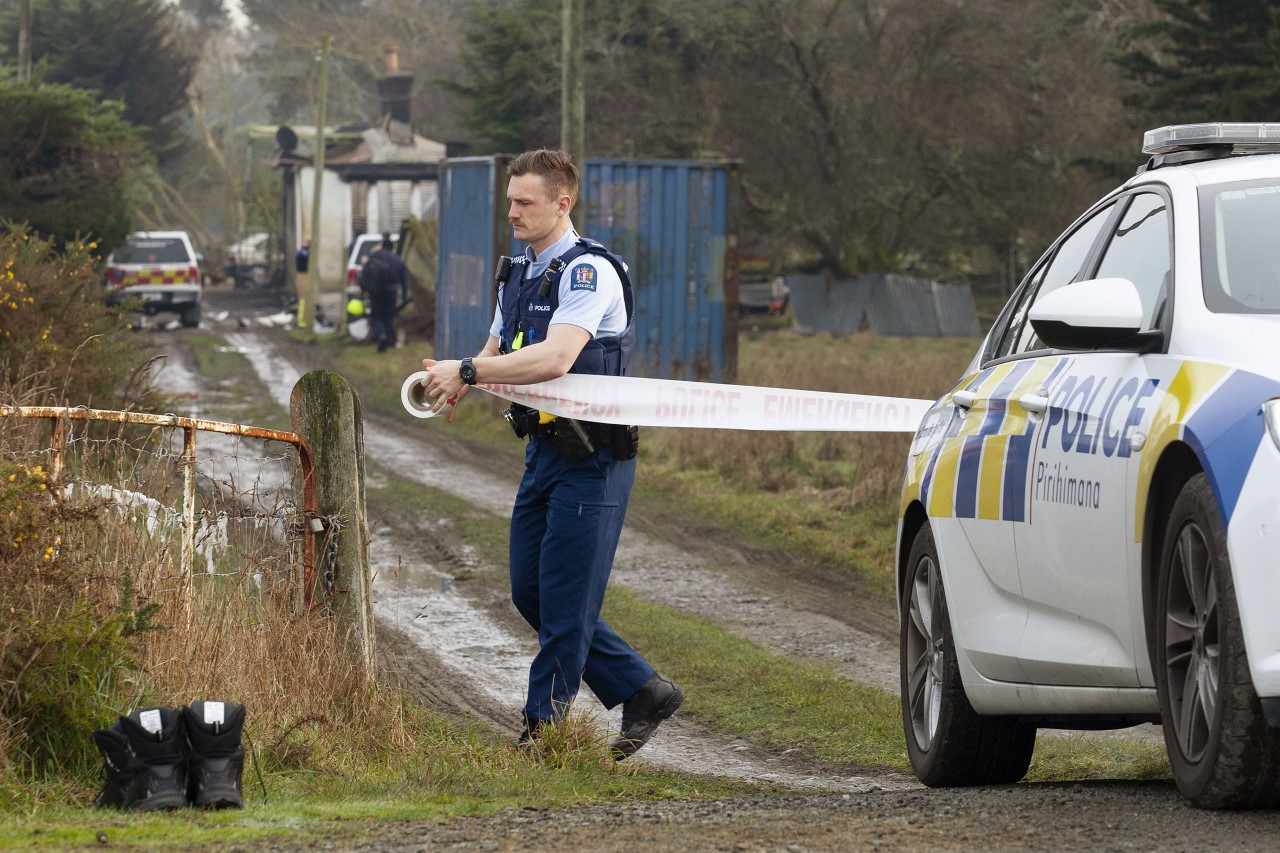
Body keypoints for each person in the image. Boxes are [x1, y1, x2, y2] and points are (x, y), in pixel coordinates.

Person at [418, 149, 683, 760]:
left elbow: (555, 357)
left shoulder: (588, 274)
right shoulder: (516, 272)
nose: (511, 212)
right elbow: (496, 349)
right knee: (529, 591)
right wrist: (458, 377)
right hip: (543, 452)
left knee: (564, 602)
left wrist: (470, 369)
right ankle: (643, 689)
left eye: (524, 202)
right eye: (510, 201)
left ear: (562, 204)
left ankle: (543, 735)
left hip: (595, 457)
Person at [362, 234, 409, 352]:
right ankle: (389, 341)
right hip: (391, 291)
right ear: (392, 247)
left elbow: (365, 274)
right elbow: (404, 281)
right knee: (389, 316)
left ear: (382, 245)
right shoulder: (397, 260)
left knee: (376, 316)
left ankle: (381, 336)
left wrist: (364, 290)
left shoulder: (374, 256)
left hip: (376, 292)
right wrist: (404, 296)